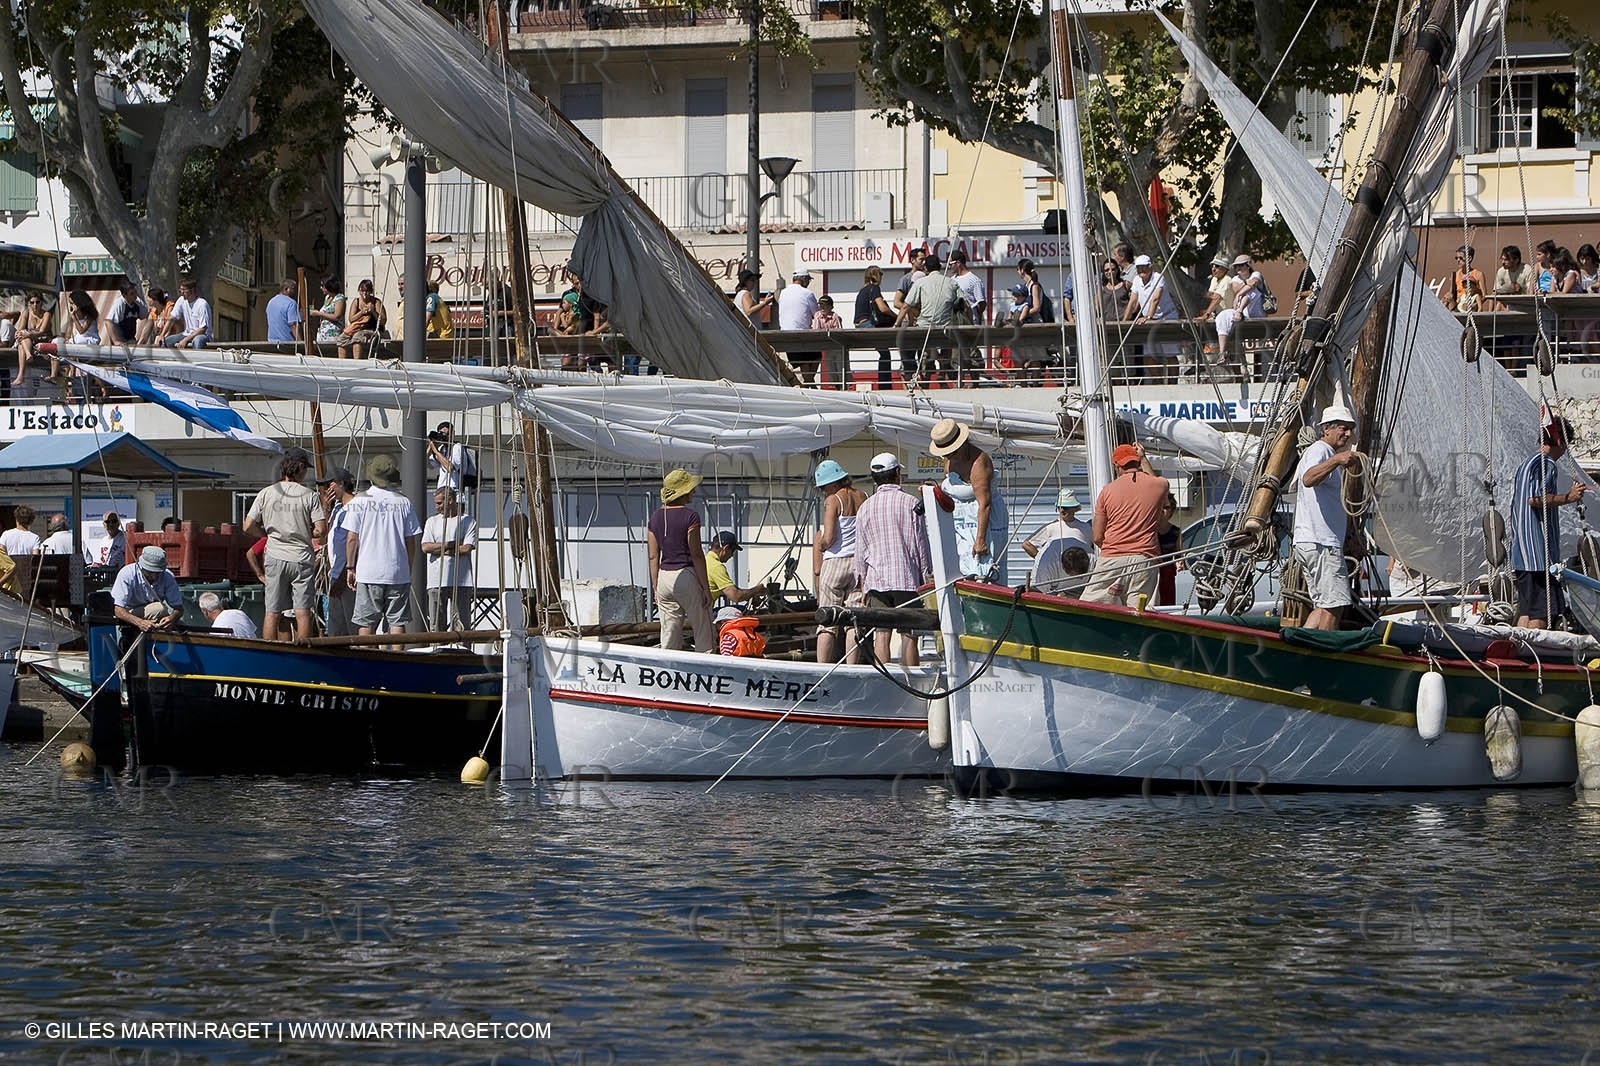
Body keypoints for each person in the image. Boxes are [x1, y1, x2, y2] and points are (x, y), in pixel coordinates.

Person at [852, 452, 932, 667]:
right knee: (909, 634)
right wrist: (927, 577)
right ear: (897, 473)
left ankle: (884, 681)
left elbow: (860, 550)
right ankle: (912, 682)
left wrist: (862, 585)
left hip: (877, 580)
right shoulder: (911, 503)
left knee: (882, 633)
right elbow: (921, 545)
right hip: (907, 578)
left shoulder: (865, 507)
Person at [1510, 415, 1590, 630]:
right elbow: (1536, 500)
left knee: (1527, 610)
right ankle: (1537, 657)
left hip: (1521, 554)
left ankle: (1518, 652)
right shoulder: (1547, 465)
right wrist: (1569, 497)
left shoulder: (1525, 465)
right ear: (1561, 442)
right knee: (1544, 611)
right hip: (1537, 555)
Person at [244, 446, 328, 642]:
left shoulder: (266, 493)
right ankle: (303, 654)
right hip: (301, 557)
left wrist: (266, 534)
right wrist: (306, 532)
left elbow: (247, 526)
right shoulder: (310, 496)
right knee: (302, 611)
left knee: (272, 611)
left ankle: (269, 652)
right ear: (300, 468)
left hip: (274, 555)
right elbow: (321, 530)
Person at [1291, 405, 1361, 631]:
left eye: (1350, 429)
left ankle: (1306, 645)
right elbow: (1309, 478)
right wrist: (1337, 460)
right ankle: (1325, 651)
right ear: (1326, 429)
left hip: (1313, 541)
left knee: (1322, 605)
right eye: (1343, 428)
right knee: (1336, 604)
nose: (1348, 434)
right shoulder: (1320, 450)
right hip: (1321, 542)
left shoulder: (1322, 453)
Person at [344, 454, 423, 639]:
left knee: (366, 622)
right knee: (397, 622)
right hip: (397, 571)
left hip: (368, 570)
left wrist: (350, 567)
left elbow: (351, 538)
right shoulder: (404, 502)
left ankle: (366, 660)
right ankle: (398, 659)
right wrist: (408, 566)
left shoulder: (359, 501)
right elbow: (411, 541)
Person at [1082, 442, 1169, 606]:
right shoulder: (1159, 484)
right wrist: (1144, 459)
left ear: (1116, 465)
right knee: (1141, 614)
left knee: (1092, 608)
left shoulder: (1107, 491)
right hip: (1144, 560)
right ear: (1137, 461)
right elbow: (1157, 481)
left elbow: (1097, 536)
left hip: (1112, 559)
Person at [929, 417, 1008, 583]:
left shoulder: (979, 462)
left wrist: (980, 540)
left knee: (983, 567)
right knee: (960, 566)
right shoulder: (948, 460)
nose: (949, 455)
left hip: (983, 520)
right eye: (946, 452)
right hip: (960, 520)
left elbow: (985, 504)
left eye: (952, 451)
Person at [647, 469, 713, 653]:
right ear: (683, 492)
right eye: (691, 488)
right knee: (702, 628)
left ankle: (668, 668)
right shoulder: (691, 516)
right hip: (686, 574)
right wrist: (706, 588)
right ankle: (706, 668)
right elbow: (697, 554)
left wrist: (655, 585)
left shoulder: (655, 517)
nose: (694, 491)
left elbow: (653, 556)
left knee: (669, 634)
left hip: (664, 577)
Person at [812, 459, 867, 664]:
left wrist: (821, 545)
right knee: (853, 620)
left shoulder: (834, 500)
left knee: (827, 620)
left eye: (824, 487)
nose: (824, 492)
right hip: (858, 564)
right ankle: (852, 667)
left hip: (835, 561)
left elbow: (829, 537)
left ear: (834, 483)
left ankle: (822, 668)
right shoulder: (863, 496)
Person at [899, 254, 961, 385]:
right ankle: (943, 373)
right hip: (945, 327)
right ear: (939, 267)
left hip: (924, 327)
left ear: (926, 268)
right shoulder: (952, 282)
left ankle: (926, 380)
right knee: (947, 343)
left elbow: (905, 305)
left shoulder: (921, 283)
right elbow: (962, 303)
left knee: (925, 350)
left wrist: (896, 324)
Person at [421, 486, 477, 630]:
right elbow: (425, 547)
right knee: (436, 624)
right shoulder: (431, 521)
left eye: (439, 503)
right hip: (436, 580)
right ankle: (438, 650)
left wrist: (439, 550)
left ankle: (462, 650)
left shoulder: (468, 521)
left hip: (461, 580)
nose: (437, 507)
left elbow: (466, 548)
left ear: (450, 501)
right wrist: (449, 544)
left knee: (461, 623)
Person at [1126, 254, 1180, 381]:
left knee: (1170, 354)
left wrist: (1148, 317)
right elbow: (1133, 302)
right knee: (1148, 355)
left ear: (1150, 267)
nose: (1141, 271)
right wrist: (1124, 321)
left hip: (1166, 318)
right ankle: (1158, 381)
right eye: (1138, 268)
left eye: (1144, 267)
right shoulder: (1136, 280)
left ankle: (1173, 383)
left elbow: (1155, 299)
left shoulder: (1158, 277)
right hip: (1149, 321)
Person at [319, 466, 358, 638]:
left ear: (341, 484)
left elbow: (355, 541)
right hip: (335, 573)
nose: (327, 489)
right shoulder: (337, 509)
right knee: (336, 628)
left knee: (352, 624)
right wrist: (326, 508)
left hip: (348, 573)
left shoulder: (356, 507)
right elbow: (324, 538)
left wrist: (347, 570)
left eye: (330, 484)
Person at [111, 545, 183, 632]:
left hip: (151, 614)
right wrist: (140, 622)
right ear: (141, 566)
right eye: (150, 572)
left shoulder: (168, 576)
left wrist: (172, 618)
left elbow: (179, 608)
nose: (154, 576)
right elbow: (118, 610)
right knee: (159, 609)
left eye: (157, 572)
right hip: (129, 613)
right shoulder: (127, 574)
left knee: (180, 625)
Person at [1212, 255, 1263, 365]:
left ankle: (1239, 311)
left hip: (1256, 312)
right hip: (1241, 314)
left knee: (1251, 292)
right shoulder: (1235, 279)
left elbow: (1253, 283)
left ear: (1248, 266)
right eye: (1236, 266)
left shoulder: (1256, 274)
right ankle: (1222, 353)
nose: (1238, 268)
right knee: (1222, 315)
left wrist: (1239, 294)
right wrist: (1245, 285)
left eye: (1241, 265)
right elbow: (1235, 288)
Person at [854, 265, 896, 389]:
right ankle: (885, 385)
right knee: (885, 354)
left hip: (859, 324)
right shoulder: (874, 288)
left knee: (883, 352)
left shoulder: (863, 290)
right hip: (868, 324)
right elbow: (882, 308)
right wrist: (896, 316)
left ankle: (884, 384)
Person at [778, 268, 822, 383]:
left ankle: (809, 386)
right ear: (803, 279)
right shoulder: (807, 293)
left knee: (804, 366)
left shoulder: (783, 293)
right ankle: (811, 388)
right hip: (802, 335)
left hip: (786, 336)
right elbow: (816, 314)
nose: (808, 283)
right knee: (817, 357)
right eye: (808, 280)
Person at [892, 245, 929, 382]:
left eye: (924, 259)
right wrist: (911, 310)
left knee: (925, 360)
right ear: (912, 260)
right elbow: (897, 302)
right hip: (910, 323)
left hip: (925, 322)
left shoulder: (927, 277)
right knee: (908, 359)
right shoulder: (906, 279)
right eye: (921, 259)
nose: (923, 262)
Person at [1022, 489, 1092, 559]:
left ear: (1075, 508)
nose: (1062, 510)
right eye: (1059, 507)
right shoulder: (1051, 527)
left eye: (1066, 507)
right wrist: (1041, 559)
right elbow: (1027, 544)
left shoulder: (1086, 527)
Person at [705, 530, 763, 609]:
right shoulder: (716, 567)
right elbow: (735, 596)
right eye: (732, 551)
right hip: (704, 613)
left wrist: (749, 596)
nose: (732, 555)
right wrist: (756, 589)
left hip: (696, 610)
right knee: (740, 611)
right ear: (725, 548)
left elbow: (728, 587)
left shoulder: (706, 560)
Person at [426, 420, 475, 503]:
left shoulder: (457, 448)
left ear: (453, 434)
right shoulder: (442, 449)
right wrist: (430, 447)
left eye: (448, 434)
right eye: (442, 434)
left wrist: (436, 451)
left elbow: (450, 467)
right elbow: (428, 465)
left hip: (455, 494)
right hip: (442, 492)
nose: (445, 437)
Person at [335, 279, 386, 358]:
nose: (364, 293)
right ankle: (343, 361)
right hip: (357, 328)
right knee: (341, 339)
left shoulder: (376, 302)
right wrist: (361, 313)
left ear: (371, 291)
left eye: (367, 291)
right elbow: (351, 319)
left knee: (357, 336)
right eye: (362, 291)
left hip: (372, 329)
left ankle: (357, 361)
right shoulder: (357, 302)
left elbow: (383, 321)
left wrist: (373, 312)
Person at [11, 293, 51, 386]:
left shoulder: (46, 314)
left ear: (41, 303)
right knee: (23, 336)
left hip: (42, 339)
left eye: (37, 302)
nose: (35, 305)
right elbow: (20, 329)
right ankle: (28, 356)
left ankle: (21, 376)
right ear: (29, 303)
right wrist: (18, 333)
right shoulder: (26, 313)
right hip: (29, 342)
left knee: (23, 340)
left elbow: (42, 331)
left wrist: (28, 333)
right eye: (32, 302)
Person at [161, 279, 212, 349]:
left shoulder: (202, 304)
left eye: (184, 290)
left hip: (202, 335)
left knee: (197, 341)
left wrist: (185, 340)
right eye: (180, 290)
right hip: (187, 333)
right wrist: (162, 335)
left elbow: (202, 329)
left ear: (192, 290)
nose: (181, 292)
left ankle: (196, 359)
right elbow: (172, 318)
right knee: (167, 341)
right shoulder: (181, 300)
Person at [1155, 491, 1183, 607]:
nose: (1163, 510)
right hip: (1153, 571)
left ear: (1171, 510)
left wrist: (1179, 563)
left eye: (1166, 507)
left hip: (1168, 574)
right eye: (1160, 507)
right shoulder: (1150, 530)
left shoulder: (1176, 531)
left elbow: (1178, 554)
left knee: (1168, 605)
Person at [811, 294, 845, 388]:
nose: (822, 307)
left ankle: (843, 386)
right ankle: (835, 386)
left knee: (840, 366)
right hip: (826, 346)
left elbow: (839, 331)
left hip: (836, 346)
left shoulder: (835, 316)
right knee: (830, 367)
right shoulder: (817, 315)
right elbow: (816, 331)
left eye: (824, 305)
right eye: (820, 305)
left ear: (830, 307)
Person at [1441, 245, 1486, 310]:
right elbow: (1451, 293)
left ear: (1469, 258)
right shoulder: (1455, 275)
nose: (1458, 260)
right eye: (1457, 258)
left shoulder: (1478, 274)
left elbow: (1484, 296)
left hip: (1471, 304)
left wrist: (1474, 305)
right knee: (1448, 296)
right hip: (1457, 305)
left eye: (1461, 258)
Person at [265, 279, 302, 343]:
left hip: (271, 342)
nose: (295, 292)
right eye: (293, 289)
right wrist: (300, 342)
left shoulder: (271, 302)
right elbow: (293, 325)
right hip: (286, 342)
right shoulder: (291, 303)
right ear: (286, 289)